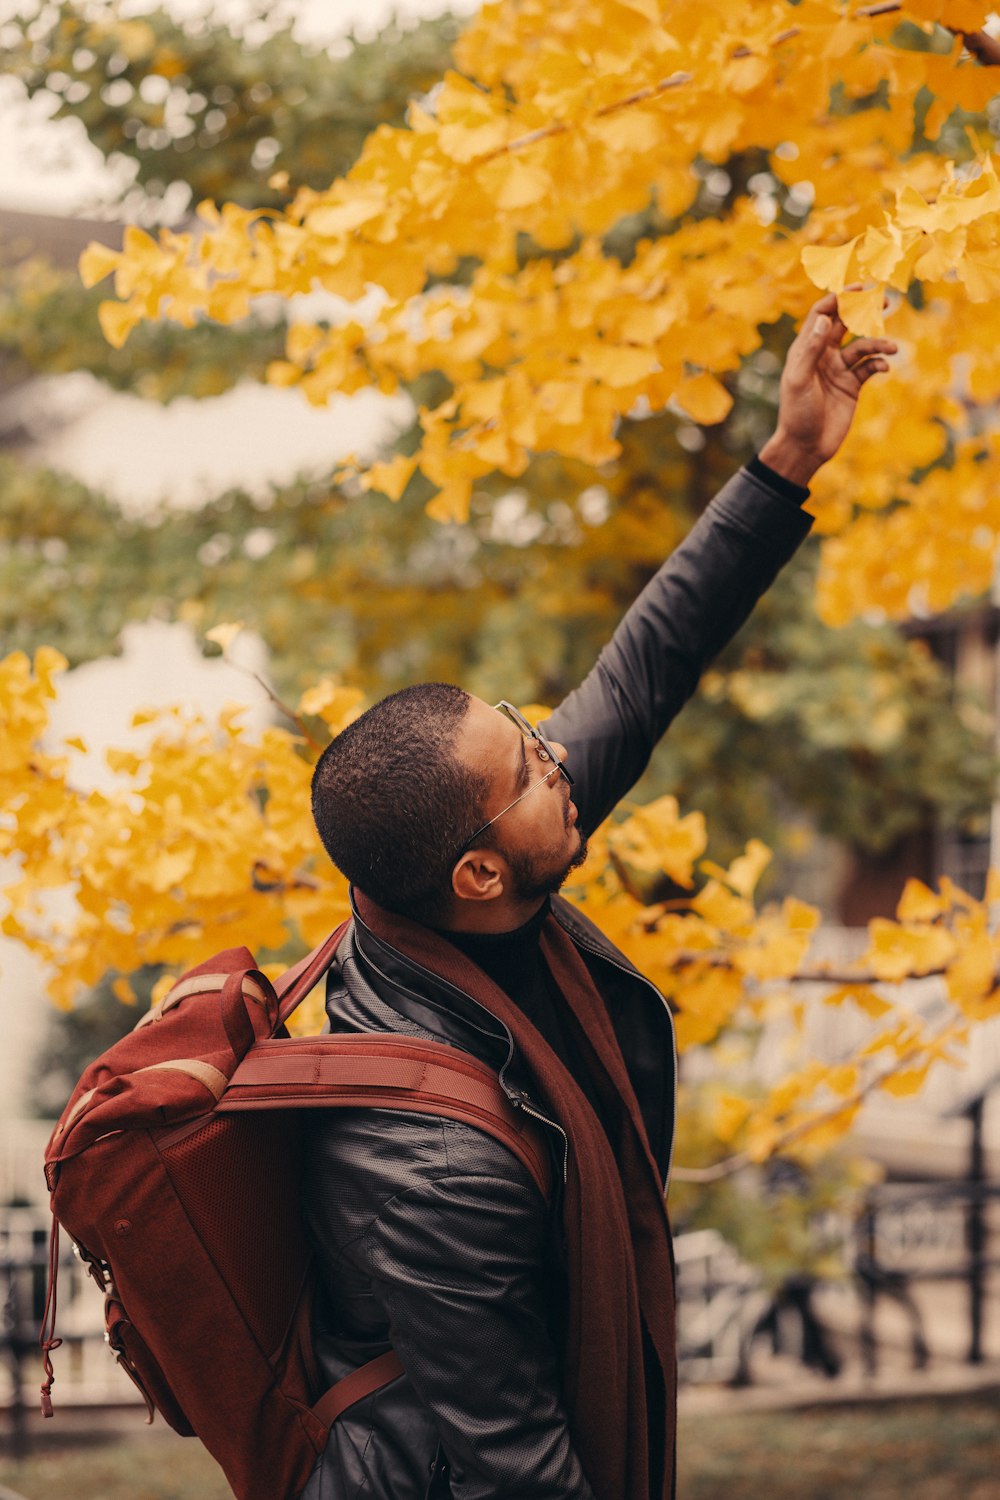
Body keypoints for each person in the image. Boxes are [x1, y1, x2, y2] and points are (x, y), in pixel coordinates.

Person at [300, 294, 895, 1500]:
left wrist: (788, 457)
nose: (556, 755)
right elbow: (517, 1467)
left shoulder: (477, 879)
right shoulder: (427, 1161)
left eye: (524, 727)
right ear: (476, 869)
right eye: (524, 764)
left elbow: (648, 662)